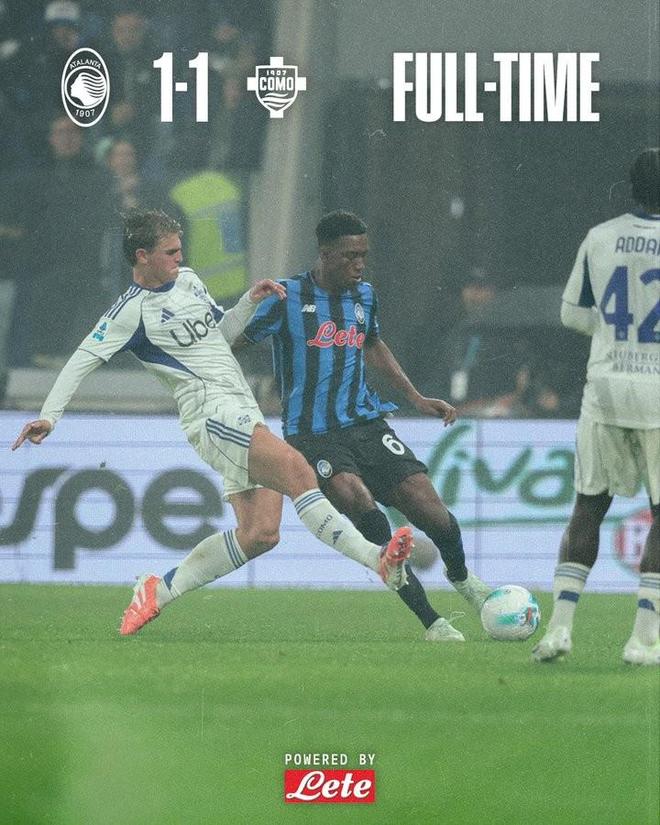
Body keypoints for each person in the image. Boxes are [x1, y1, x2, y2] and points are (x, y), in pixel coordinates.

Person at [11, 209, 414, 636]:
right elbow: (82, 360)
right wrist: (49, 416)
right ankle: (376, 559)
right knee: (297, 469)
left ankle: (158, 591)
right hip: (210, 413)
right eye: (170, 252)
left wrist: (248, 302)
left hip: (241, 406)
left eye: (179, 249)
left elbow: (218, 336)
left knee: (260, 534)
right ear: (142, 256)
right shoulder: (130, 312)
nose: (179, 258)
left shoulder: (188, 281)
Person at [238, 210, 493, 642]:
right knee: (363, 507)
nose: (359, 264)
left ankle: (463, 579)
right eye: (350, 256)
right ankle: (432, 621)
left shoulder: (364, 296)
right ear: (325, 254)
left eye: (364, 255)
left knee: (432, 510)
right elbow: (234, 343)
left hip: (366, 423)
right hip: (312, 434)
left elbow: (372, 343)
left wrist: (416, 397)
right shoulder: (286, 297)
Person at [532, 148, 660, 666]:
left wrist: (611, 334)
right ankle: (642, 640)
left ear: (630, 188)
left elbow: (571, 314)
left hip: (605, 386)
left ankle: (559, 629)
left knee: (588, 507)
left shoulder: (600, 236)